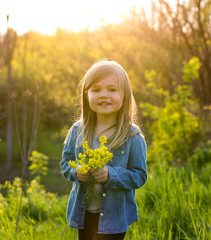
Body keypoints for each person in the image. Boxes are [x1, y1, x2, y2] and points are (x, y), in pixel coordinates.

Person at [60, 60, 147, 240]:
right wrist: (77, 172)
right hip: (84, 213)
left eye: (112, 89)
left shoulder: (132, 136)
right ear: (86, 95)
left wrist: (111, 175)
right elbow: (65, 164)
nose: (103, 95)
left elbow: (139, 175)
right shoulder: (77, 131)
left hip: (114, 217)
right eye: (96, 90)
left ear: (125, 95)